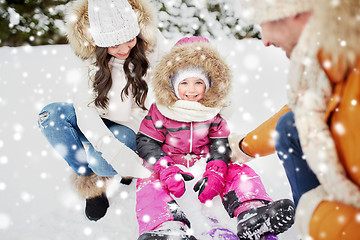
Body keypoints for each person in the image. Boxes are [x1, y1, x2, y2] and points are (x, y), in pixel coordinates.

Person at [135, 36, 295, 240]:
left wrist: (216, 172)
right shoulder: (161, 111)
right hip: (171, 167)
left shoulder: (212, 113)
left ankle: (252, 210)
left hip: (204, 166)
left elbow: (220, 145)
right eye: (184, 82)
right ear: (173, 83)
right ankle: (165, 226)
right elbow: (146, 141)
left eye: (198, 83)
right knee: (147, 179)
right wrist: (165, 168)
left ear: (209, 85)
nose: (191, 90)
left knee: (238, 168)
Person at [230, 0, 360, 239]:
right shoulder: (334, 60)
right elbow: (300, 113)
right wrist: (243, 147)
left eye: (263, 22)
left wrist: (315, 216)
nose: (265, 40)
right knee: (290, 126)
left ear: (295, 13)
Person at [38, 0, 168, 221]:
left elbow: (180, 73)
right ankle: (90, 181)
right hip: (98, 117)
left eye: (129, 39)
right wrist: (111, 148)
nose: (125, 49)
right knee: (50, 116)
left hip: (131, 125)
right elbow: (84, 109)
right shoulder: (92, 57)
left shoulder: (152, 45)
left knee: (101, 161)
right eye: (114, 44)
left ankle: (118, 163)